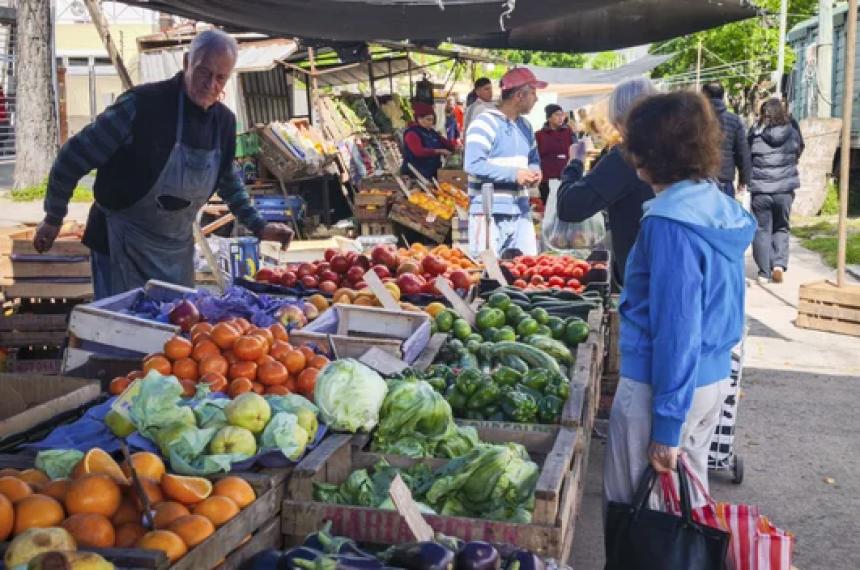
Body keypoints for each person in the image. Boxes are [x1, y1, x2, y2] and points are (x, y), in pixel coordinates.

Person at [33, 30, 293, 299]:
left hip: (175, 252)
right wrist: (53, 217)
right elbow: (73, 157)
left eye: (220, 78)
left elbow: (228, 181)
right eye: (204, 72)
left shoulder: (223, 123)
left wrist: (259, 226)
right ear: (186, 62)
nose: (211, 84)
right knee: (122, 333)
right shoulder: (141, 106)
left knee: (174, 332)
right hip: (120, 244)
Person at [604, 91, 755, 514]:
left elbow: (677, 328)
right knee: (684, 512)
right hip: (708, 382)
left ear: (646, 153)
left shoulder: (670, 224)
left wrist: (667, 426)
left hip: (663, 387)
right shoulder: (720, 208)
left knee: (640, 521)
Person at [556, 77, 657, 287]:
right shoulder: (681, 148)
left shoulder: (629, 156)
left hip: (644, 276)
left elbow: (570, 206)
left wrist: (575, 162)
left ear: (618, 117)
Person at [464, 68, 546, 257]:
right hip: (487, 213)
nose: (536, 99)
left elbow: (533, 159)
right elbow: (473, 164)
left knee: (525, 270)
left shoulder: (526, 126)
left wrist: (535, 171)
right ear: (519, 96)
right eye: (533, 93)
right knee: (488, 273)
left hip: (521, 210)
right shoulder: (484, 123)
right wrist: (514, 174)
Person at [748, 97, 803, 284]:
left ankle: (764, 272)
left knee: (761, 229)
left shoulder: (755, 131)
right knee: (781, 226)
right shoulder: (792, 130)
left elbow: (747, 155)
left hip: (761, 190)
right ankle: (778, 264)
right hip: (784, 189)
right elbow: (799, 149)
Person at [701, 81, 751, 198]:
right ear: (722, 96)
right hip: (724, 178)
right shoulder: (734, 120)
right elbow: (742, 152)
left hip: (699, 179)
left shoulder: (694, 119)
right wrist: (744, 179)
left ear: (704, 96)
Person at [401, 102, 455, 181]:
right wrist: (439, 151)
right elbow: (418, 151)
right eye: (428, 119)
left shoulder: (431, 132)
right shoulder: (412, 134)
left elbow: (445, 142)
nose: (431, 123)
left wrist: (455, 148)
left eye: (432, 120)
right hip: (416, 174)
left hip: (431, 173)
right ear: (419, 119)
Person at [535, 103, 574, 204]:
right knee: (548, 208)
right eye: (557, 115)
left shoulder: (568, 132)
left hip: (565, 178)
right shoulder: (539, 135)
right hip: (547, 179)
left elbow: (576, 150)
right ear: (549, 118)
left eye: (562, 115)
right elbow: (534, 156)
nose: (560, 117)